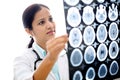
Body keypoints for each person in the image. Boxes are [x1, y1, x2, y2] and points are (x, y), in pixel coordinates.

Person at [13, 3, 69, 80]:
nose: (50, 25)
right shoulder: (22, 60)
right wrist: (50, 58)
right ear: (29, 31)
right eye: (41, 22)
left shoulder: (67, 51)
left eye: (50, 19)